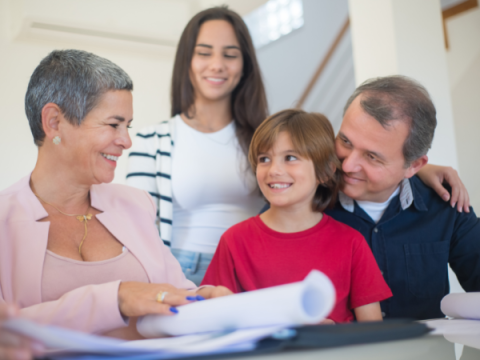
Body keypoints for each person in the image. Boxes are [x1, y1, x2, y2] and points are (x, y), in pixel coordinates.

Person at [0, 49, 230, 340]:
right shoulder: (4, 221)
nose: (127, 141)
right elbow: (6, 333)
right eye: (113, 124)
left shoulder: (136, 205)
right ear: (54, 122)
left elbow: (173, 291)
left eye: (128, 126)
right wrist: (115, 298)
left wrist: (200, 299)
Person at [202, 110, 392, 323]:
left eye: (290, 158)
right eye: (264, 159)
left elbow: (373, 331)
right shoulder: (234, 241)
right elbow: (215, 318)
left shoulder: (352, 242)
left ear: (325, 171)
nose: (274, 170)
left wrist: (334, 334)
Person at [126, 6, 268, 286]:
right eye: (204, 53)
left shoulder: (266, 140)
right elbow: (135, 229)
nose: (217, 65)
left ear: (245, 65)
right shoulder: (151, 141)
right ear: (187, 61)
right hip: (183, 274)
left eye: (230, 55)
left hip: (253, 270)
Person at [325, 75, 480, 320]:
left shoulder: (447, 207)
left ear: (414, 165)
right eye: (345, 141)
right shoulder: (303, 202)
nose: (348, 165)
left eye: (372, 157)